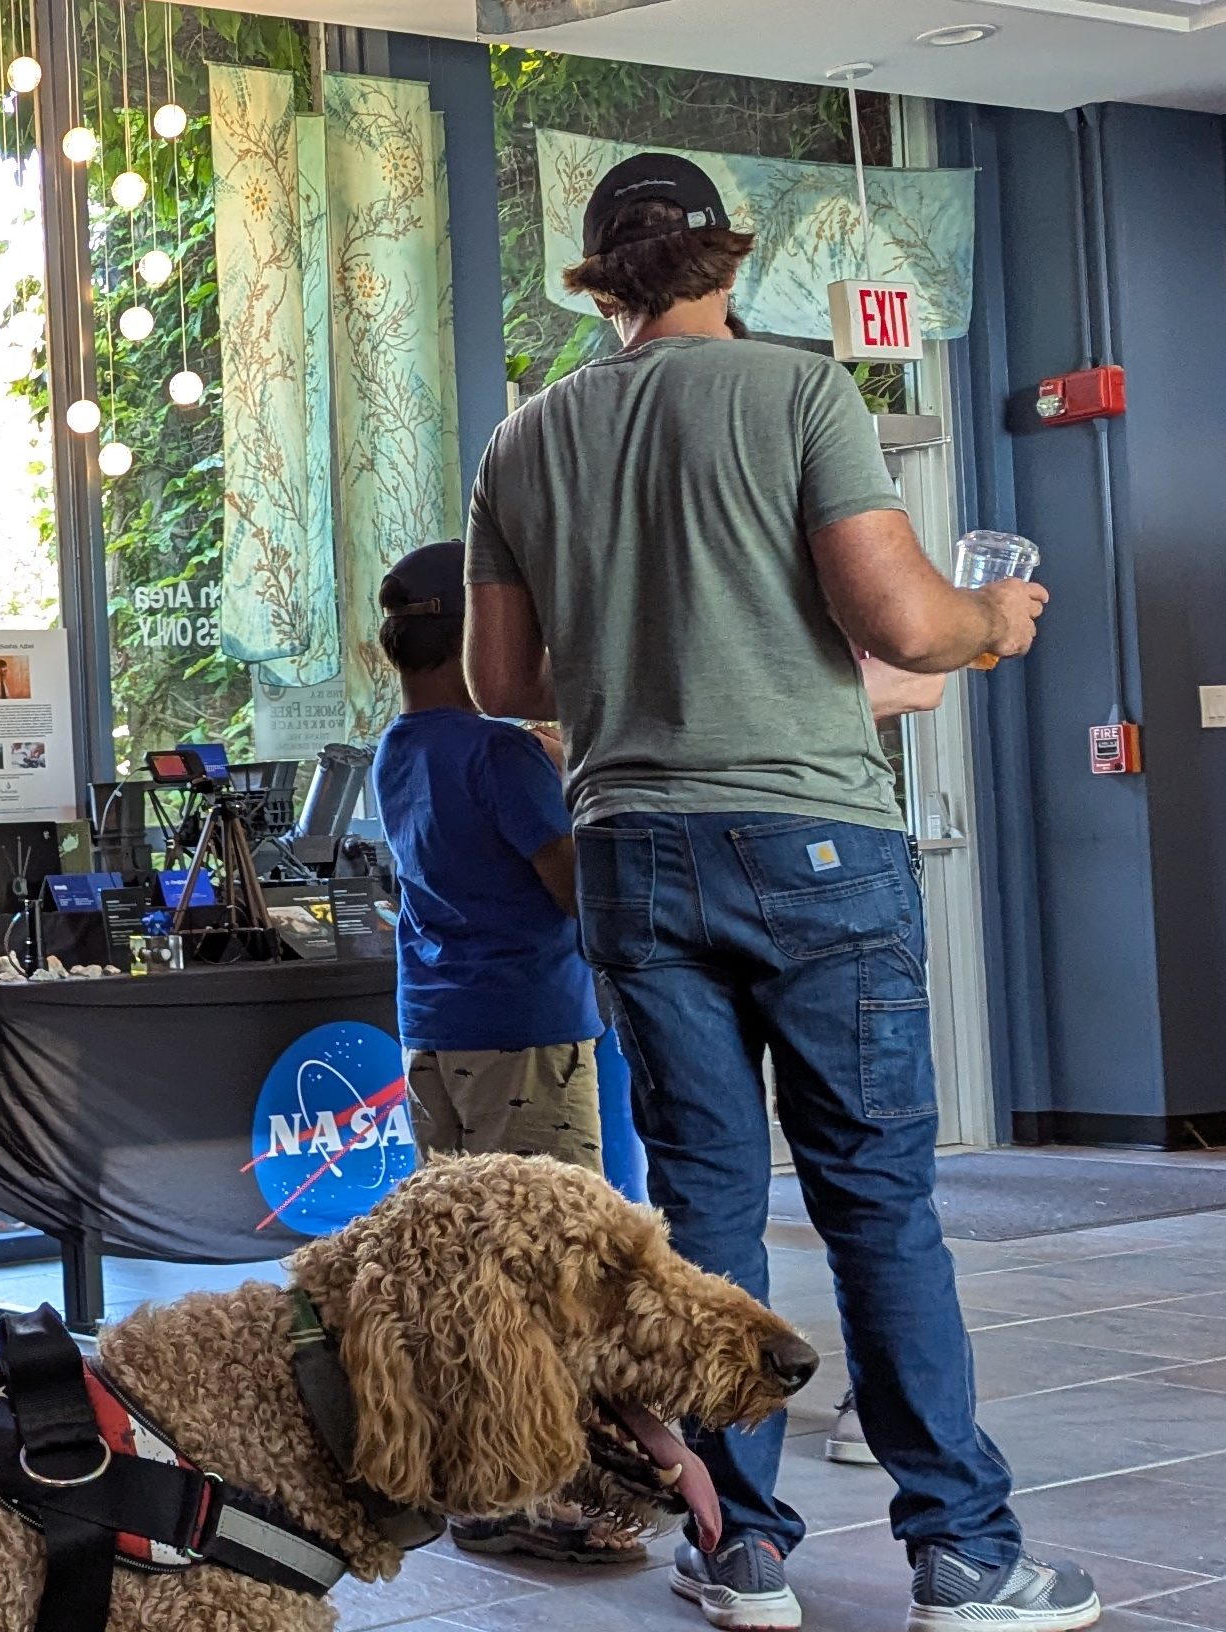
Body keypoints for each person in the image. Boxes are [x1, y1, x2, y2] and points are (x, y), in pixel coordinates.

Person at [462, 154, 1087, 1632]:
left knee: (704, 1216)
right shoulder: (800, 395)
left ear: (600, 276)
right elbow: (900, 620)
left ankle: (739, 1548)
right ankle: (965, 1554)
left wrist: (649, 664)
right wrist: (991, 619)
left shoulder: (525, 441)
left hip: (631, 848)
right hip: (813, 846)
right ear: (727, 261)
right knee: (877, 1204)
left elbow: (503, 682)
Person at [371, 539, 644, 1567]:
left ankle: (469, 1476)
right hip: (528, 1028)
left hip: (435, 1031)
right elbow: (574, 886)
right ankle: (530, 1490)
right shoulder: (501, 756)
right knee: (547, 1270)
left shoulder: (399, 747)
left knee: (466, 1268)